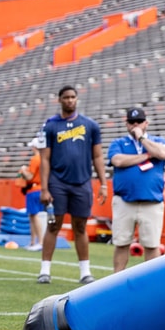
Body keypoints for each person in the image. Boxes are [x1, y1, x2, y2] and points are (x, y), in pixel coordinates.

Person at [36, 85, 107, 285]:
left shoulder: (90, 125)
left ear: (77, 99)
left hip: (82, 182)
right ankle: (45, 271)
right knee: (53, 225)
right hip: (57, 182)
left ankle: (85, 272)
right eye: (66, 97)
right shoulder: (49, 126)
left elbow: (98, 155)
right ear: (59, 100)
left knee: (80, 226)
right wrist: (44, 188)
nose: (69, 100)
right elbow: (44, 159)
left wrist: (103, 183)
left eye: (73, 97)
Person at [108, 108, 165, 272]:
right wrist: (146, 156)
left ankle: (152, 285)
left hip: (152, 201)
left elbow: (163, 153)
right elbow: (118, 161)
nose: (135, 125)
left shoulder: (158, 140)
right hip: (124, 201)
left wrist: (141, 137)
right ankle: (116, 282)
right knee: (121, 243)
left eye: (139, 122)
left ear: (146, 123)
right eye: (132, 122)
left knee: (152, 245)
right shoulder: (119, 143)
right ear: (126, 124)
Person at [18, 137, 44, 251]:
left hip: (34, 189)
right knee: (32, 215)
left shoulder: (35, 159)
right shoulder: (44, 158)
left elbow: (30, 176)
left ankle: (40, 241)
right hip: (41, 188)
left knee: (34, 215)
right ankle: (33, 241)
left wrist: (23, 171)